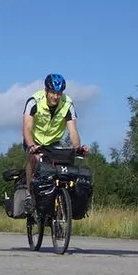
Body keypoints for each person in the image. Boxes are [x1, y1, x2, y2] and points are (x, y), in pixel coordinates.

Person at [22, 73, 89, 213]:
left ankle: (59, 199)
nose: (56, 97)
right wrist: (31, 146)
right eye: (52, 92)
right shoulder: (34, 102)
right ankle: (29, 193)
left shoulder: (67, 104)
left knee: (63, 166)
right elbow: (27, 128)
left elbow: (73, 131)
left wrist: (78, 148)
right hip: (34, 140)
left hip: (53, 141)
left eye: (59, 93)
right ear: (46, 90)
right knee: (33, 159)